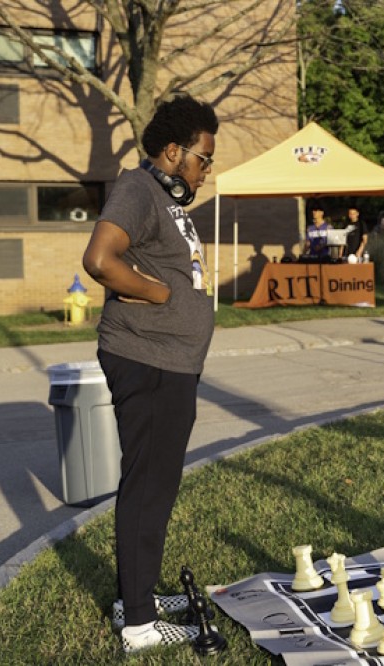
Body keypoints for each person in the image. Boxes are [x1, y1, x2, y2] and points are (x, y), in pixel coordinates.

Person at [82, 94, 219, 652]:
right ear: (172, 151)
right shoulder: (138, 189)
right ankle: (139, 627)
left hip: (168, 360)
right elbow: (100, 259)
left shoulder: (161, 195)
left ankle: (134, 596)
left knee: (154, 486)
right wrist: (160, 293)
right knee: (148, 487)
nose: (207, 169)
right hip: (148, 359)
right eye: (203, 158)